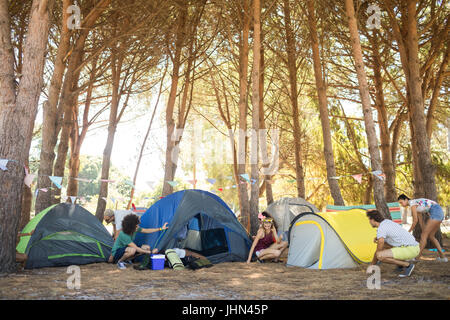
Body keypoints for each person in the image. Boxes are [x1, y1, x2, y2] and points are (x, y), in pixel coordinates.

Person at [366, 210, 419, 277]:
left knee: (379, 255)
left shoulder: (381, 228)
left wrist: (372, 265)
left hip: (410, 249)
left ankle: (407, 265)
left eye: (369, 220)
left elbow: (378, 250)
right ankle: (400, 265)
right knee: (384, 246)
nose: (369, 222)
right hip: (414, 247)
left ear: (373, 220)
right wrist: (378, 238)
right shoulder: (387, 222)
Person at [397, 194, 447, 262]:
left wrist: (408, 232)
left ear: (406, 199)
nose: (401, 204)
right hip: (439, 212)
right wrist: (424, 230)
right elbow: (420, 221)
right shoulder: (415, 204)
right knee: (431, 236)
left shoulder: (412, 203)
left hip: (436, 212)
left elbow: (415, 221)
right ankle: (443, 257)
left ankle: (417, 258)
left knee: (424, 235)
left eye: (401, 202)